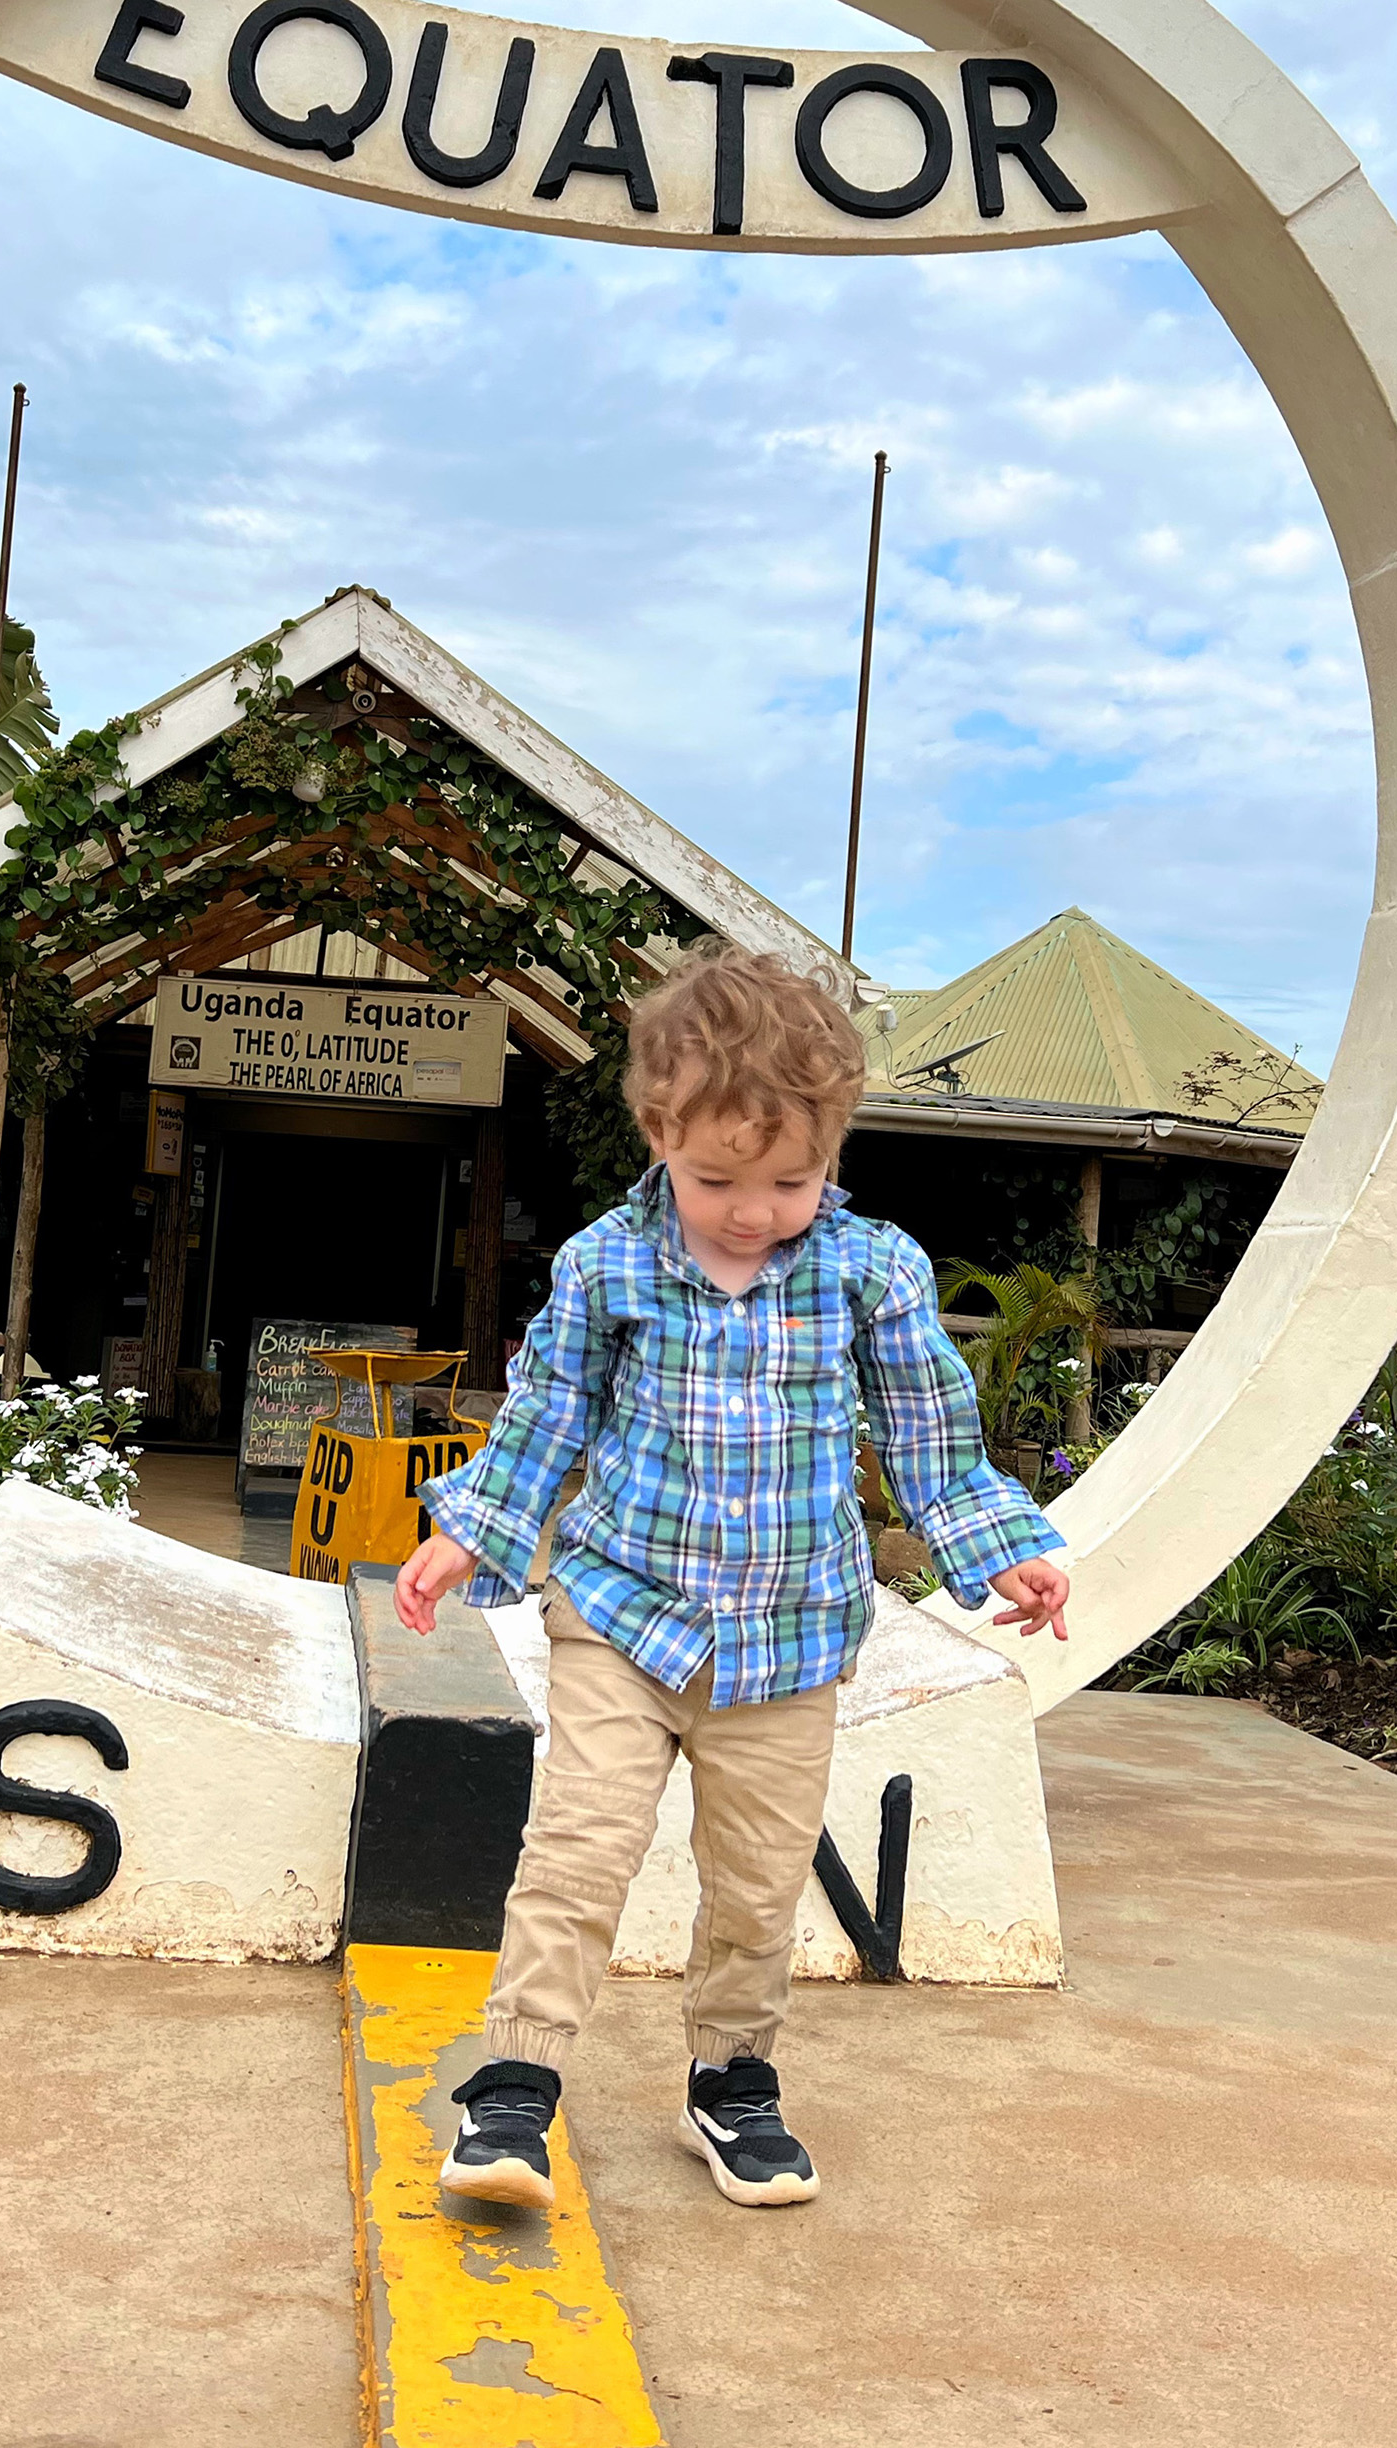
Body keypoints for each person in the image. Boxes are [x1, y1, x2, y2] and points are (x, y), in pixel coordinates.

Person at [395, 939, 1072, 2211]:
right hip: (621, 1617)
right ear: (659, 1131)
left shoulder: (874, 1272)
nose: (754, 1210)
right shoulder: (606, 1265)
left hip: (790, 1643)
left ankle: (733, 2084)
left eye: (791, 1179)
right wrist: (474, 1531)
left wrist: (1007, 1547)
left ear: (833, 1151)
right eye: (717, 1178)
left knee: (759, 1889)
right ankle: (515, 2093)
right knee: (578, 1853)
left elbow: (930, 1436)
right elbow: (546, 1419)